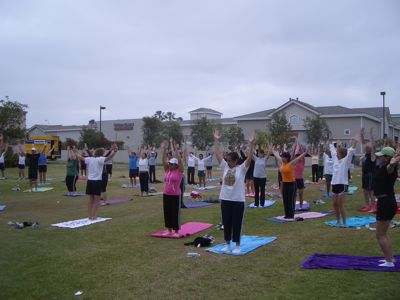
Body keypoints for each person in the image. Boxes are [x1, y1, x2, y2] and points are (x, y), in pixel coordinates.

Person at [213, 128, 255, 253]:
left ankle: (237, 245)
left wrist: (251, 144)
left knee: (237, 223)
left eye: (230, 160)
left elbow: (249, 158)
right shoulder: (225, 167)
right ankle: (227, 244)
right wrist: (216, 140)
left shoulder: (242, 169)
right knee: (226, 222)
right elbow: (218, 154)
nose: (228, 162)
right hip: (225, 199)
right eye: (227, 160)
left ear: (236, 161)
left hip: (238, 200)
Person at [74, 144, 118, 220]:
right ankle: (94, 216)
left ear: (95, 153)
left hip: (90, 181)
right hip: (97, 181)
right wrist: (115, 151)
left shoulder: (90, 159)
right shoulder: (100, 159)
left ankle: (89, 216)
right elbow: (109, 158)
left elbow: (81, 157)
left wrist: (75, 152)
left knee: (91, 200)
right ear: (101, 154)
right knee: (97, 201)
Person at [373, 146, 400, 267]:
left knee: (380, 234)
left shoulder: (390, 168)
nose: (379, 157)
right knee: (383, 233)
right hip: (386, 202)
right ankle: (390, 259)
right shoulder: (383, 167)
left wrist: (392, 163)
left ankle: (389, 262)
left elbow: (390, 168)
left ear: (387, 158)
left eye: (382, 156)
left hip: (386, 202)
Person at [272, 145, 309, 219]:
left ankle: (291, 215)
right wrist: (272, 150)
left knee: (290, 199)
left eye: (283, 157)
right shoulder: (282, 163)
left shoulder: (291, 163)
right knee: (285, 199)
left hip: (292, 184)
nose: (282, 158)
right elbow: (276, 156)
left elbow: (299, 158)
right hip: (285, 183)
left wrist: (305, 152)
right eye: (281, 157)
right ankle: (286, 214)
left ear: (287, 158)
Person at [329, 138, 357, 227]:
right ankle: (338, 221)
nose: (337, 154)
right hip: (334, 184)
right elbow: (333, 151)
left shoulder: (346, 161)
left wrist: (355, 141)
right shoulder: (335, 160)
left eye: (339, 153)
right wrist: (335, 143)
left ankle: (344, 223)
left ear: (342, 154)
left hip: (343, 184)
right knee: (335, 204)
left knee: (340, 205)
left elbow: (351, 151)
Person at [161, 139, 184, 237]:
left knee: (175, 212)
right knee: (167, 212)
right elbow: (163, 160)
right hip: (166, 194)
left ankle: (176, 231)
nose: (169, 165)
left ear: (176, 165)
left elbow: (180, 161)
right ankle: (169, 230)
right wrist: (164, 150)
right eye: (169, 163)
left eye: (171, 164)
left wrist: (176, 149)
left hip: (175, 195)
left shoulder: (179, 171)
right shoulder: (167, 170)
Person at [359, 128, 377, 212]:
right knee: (365, 191)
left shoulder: (372, 155)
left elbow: (373, 146)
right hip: (365, 174)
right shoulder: (366, 154)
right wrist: (361, 134)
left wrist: (371, 135)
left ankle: (373, 206)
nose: (365, 146)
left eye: (367, 146)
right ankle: (367, 205)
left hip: (370, 175)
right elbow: (362, 143)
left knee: (370, 191)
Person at [292, 138, 306, 209]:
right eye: (297, 157)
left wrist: (299, 144)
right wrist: (296, 143)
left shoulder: (302, 162)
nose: (299, 158)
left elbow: (302, 152)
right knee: (294, 194)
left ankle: (301, 206)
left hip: (300, 179)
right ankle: (293, 206)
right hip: (294, 179)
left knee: (301, 194)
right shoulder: (294, 162)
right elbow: (294, 151)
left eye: (300, 157)